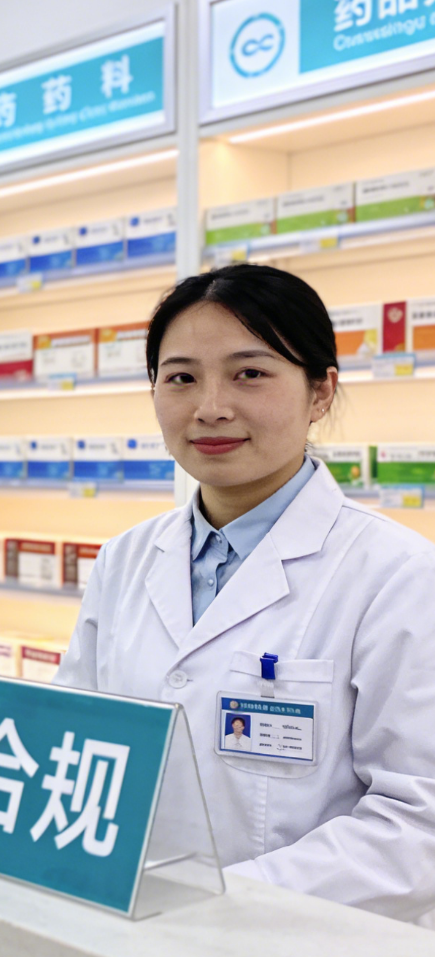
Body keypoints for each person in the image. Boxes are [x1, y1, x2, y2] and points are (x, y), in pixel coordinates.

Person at [53, 264, 435, 923]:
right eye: (181, 378)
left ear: (321, 392)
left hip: (305, 951)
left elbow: (416, 823)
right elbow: (72, 740)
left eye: (249, 373)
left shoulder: (398, 575)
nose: (210, 407)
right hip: (123, 925)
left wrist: (220, 901)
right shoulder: (125, 559)